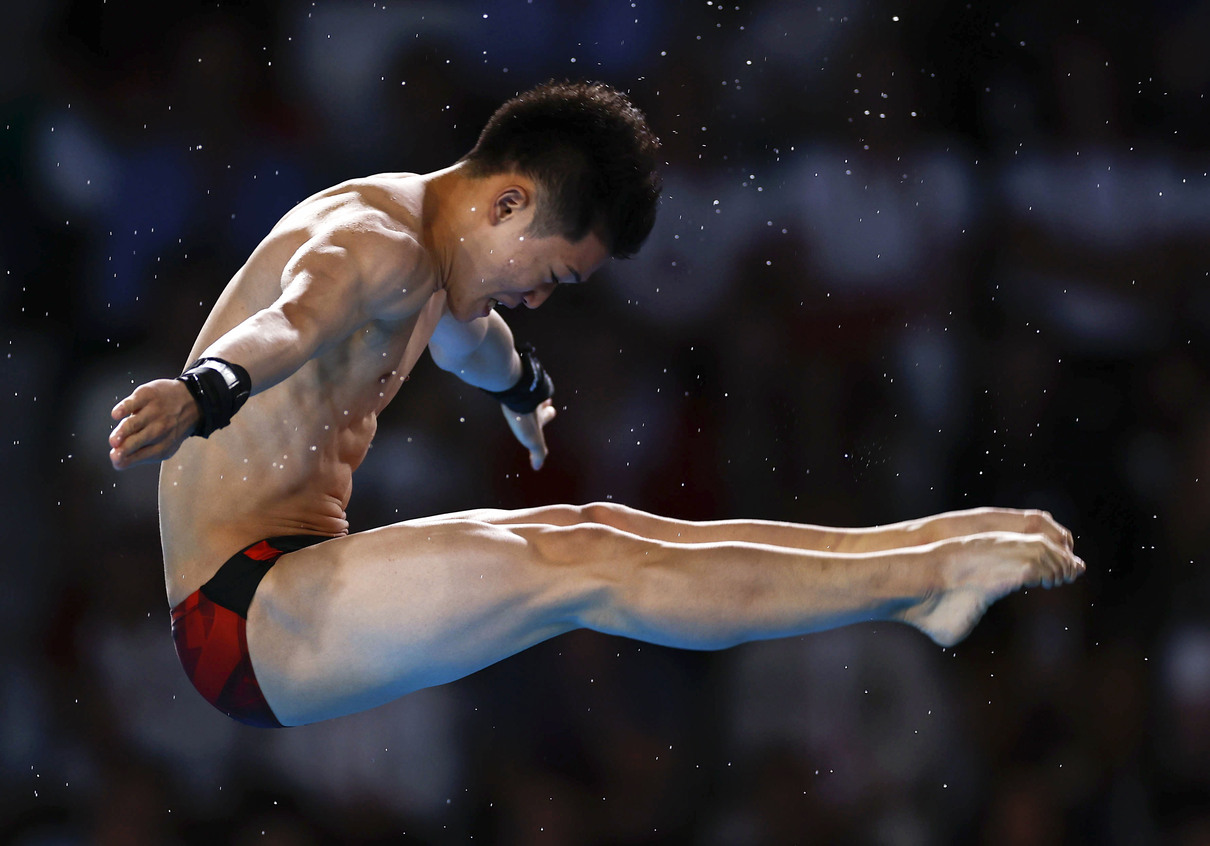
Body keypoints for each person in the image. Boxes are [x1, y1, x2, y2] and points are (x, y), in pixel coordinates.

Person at [107, 80, 1084, 729]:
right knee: (587, 564)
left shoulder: (434, 255)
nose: (537, 301)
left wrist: (522, 388)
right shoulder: (373, 240)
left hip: (291, 579)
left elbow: (470, 341)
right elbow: (297, 318)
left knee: (598, 530)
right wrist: (207, 389)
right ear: (509, 204)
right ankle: (917, 580)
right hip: (238, 615)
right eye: (551, 277)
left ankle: (912, 563)